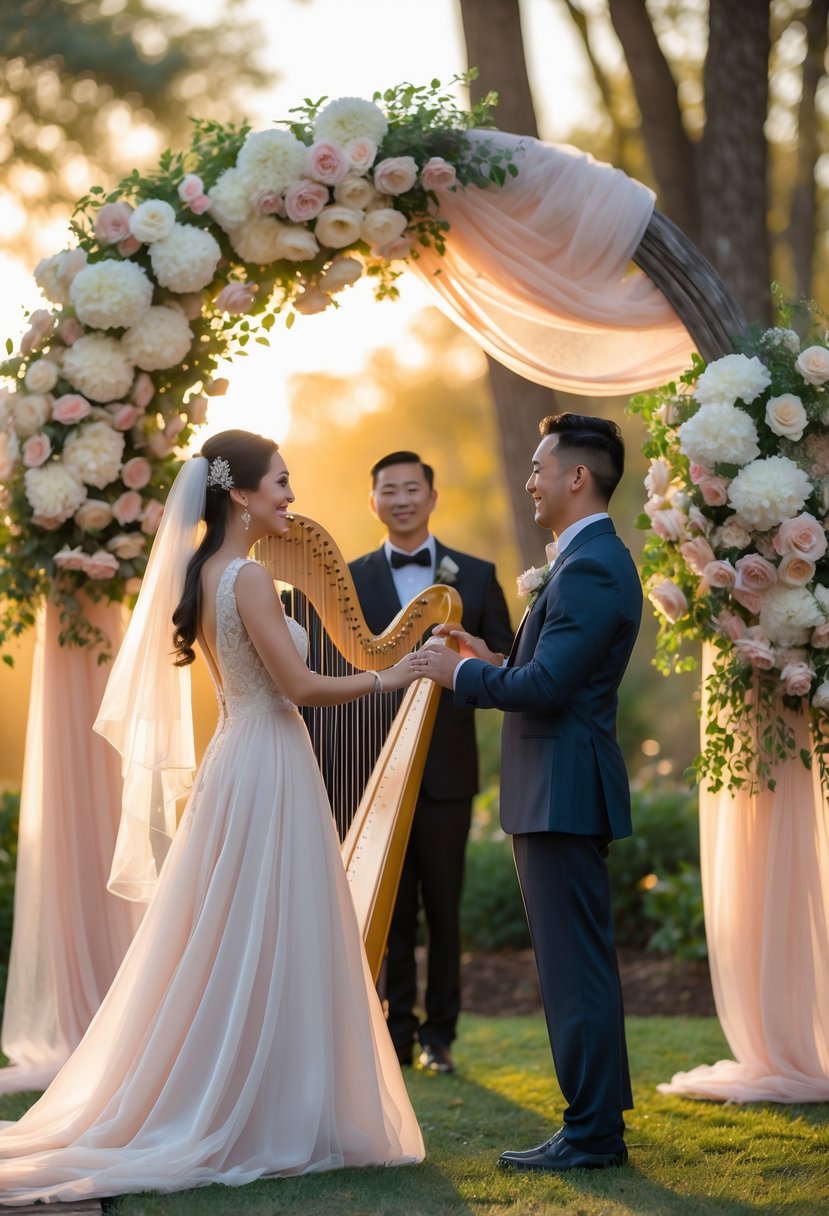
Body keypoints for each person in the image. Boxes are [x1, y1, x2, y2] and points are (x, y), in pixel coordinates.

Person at [0, 430, 424, 1205]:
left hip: (243, 756)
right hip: (268, 758)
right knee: (265, 926)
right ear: (240, 493)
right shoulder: (251, 580)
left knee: (238, 930)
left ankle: (252, 1087)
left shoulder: (206, 574)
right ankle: (259, 1104)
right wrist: (392, 675)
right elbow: (298, 687)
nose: (291, 497)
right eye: (281, 483)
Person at [412, 414, 641, 1170]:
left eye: (540, 467)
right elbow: (546, 669)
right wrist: (490, 653)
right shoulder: (583, 563)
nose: (530, 479)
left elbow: (548, 688)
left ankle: (591, 1134)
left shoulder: (594, 566)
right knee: (575, 966)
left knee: (573, 970)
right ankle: (593, 1125)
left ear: (577, 477)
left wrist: (461, 676)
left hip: (563, 793)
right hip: (556, 788)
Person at [349, 451, 513, 1074]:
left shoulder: (475, 573)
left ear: (432, 496)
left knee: (445, 906)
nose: (401, 499)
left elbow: (505, 657)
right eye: (388, 490)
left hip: (446, 767)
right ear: (374, 503)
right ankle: (393, 1030)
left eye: (411, 488)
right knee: (391, 907)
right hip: (374, 767)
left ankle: (438, 1036)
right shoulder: (355, 577)